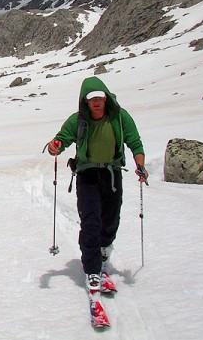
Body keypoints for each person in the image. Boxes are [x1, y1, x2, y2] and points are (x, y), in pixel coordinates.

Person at [46, 76, 148, 295]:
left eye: (99, 97)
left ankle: (104, 247)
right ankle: (92, 269)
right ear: (85, 101)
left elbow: (135, 142)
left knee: (111, 219)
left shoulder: (119, 117)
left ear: (105, 97)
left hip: (112, 174)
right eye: (91, 98)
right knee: (91, 221)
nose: (95, 102)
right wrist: (55, 146)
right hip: (87, 175)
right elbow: (61, 139)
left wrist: (140, 166)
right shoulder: (78, 120)